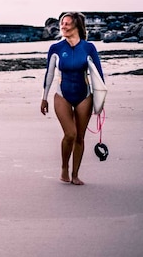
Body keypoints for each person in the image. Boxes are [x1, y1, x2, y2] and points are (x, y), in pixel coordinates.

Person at [40, 12, 104, 185]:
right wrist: (44, 98)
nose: (63, 26)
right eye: (62, 23)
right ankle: (64, 168)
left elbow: (98, 74)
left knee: (80, 137)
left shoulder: (88, 47)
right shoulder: (56, 48)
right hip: (62, 95)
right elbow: (50, 74)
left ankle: (75, 174)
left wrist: (100, 102)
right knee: (70, 134)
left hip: (84, 96)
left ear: (77, 26)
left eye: (67, 23)